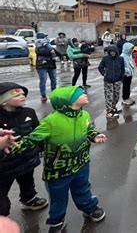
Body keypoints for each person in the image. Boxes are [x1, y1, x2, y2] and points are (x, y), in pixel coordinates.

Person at [2, 86, 108, 232]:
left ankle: (90, 207)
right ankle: (56, 220)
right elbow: (32, 139)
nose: (84, 94)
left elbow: (88, 129)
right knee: (58, 197)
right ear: (67, 102)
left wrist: (94, 135)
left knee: (83, 189)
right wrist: (9, 148)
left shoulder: (85, 115)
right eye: (79, 94)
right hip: (58, 170)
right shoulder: (51, 121)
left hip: (82, 164)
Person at [0, 83, 48, 217]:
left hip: (27, 159)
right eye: (17, 95)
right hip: (4, 165)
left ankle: (29, 198)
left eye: (23, 94)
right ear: (3, 101)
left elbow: (37, 131)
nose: (22, 96)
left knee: (27, 180)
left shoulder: (29, 112)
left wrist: (41, 148)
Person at [98, 45, 125, 119]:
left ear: (116, 52)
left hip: (117, 80)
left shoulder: (120, 59)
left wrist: (121, 78)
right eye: (111, 52)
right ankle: (109, 111)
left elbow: (123, 69)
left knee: (116, 96)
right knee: (109, 96)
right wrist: (104, 74)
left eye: (114, 52)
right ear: (109, 52)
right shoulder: (105, 59)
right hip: (108, 81)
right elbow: (100, 67)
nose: (112, 53)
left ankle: (113, 107)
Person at [35, 33, 57, 103]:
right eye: (44, 37)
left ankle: (53, 93)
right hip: (42, 65)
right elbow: (40, 51)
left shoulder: (49, 45)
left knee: (53, 79)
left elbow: (55, 52)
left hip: (51, 64)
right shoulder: (38, 45)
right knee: (43, 80)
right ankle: (43, 95)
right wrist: (50, 51)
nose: (46, 38)